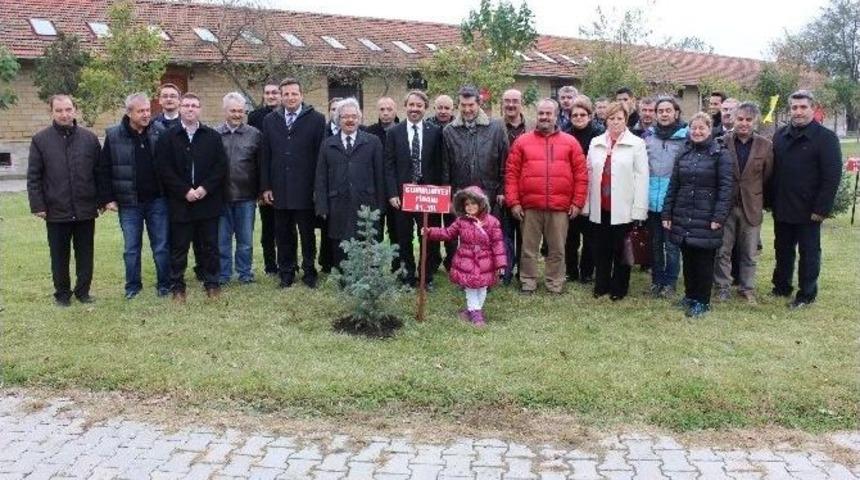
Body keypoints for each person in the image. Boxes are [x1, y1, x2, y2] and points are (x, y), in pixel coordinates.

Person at [506, 98, 587, 294]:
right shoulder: (522, 141)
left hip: (560, 207)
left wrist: (577, 202)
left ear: (556, 115)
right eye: (541, 113)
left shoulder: (570, 142)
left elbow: (581, 175)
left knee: (557, 249)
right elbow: (511, 173)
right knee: (528, 249)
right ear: (536, 114)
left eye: (548, 113)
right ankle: (528, 282)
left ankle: (555, 283)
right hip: (530, 206)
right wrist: (514, 202)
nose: (544, 117)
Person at [769, 90, 842, 309]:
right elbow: (774, 171)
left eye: (803, 107)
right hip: (783, 204)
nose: (798, 112)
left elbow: (832, 176)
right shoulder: (780, 135)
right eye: (794, 107)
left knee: (809, 253)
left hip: (810, 209)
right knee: (782, 249)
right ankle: (781, 286)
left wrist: (821, 209)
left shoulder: (826, 138)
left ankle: (806, 294)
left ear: (812, 108)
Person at [27, 94, 101, 307]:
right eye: (59, 110)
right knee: (59, 256)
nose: (64, 114)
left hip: (85, 208)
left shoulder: (89, 139)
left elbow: (99, 172)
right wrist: (38, 205)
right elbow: (34, 176)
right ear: (51, 112)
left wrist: (101, 200)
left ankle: (83, 292)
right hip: (55, 209)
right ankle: (62, 294)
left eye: (68, 109)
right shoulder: (40, 140)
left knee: (85, 254)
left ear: (75, 110)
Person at [156, 93, 229, 302]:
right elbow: (164, 168)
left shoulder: (212, 136)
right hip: (181, 202)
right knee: (179, 247)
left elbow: (220, 166)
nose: (190, 109)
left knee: (210, 246)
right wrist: (184, 191)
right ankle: (178, 286)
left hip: (208, 201)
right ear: (180, 107)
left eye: (194, 106)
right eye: (186, 105)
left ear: (200, 109)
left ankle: (212, 283)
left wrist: (205, 188)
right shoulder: (168, 137)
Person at [97, 92, 170, 300]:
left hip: (157, 200)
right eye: (141, 111)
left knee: (162, 246)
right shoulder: (113, 136)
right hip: (129, 203)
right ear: (129, 113)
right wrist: (108, 198)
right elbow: (104, 169)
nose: (147, 114)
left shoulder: (160, 131)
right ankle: (133, 287)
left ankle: (164, 285)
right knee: (131, 248)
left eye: (148, 110)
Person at [661, 112, 734, 318]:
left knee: (703, 261)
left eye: (702, 128)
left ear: (710, 130)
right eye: (694, 128)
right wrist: (667, 212)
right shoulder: (683, 153)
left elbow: (726, 189)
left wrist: (718, 217)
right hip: (683, 213)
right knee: (688, 258)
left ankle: (702, 300)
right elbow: (674, 185)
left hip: (707, 216)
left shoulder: (721, 154)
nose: (697, 132)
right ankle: (690, 295)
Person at [260, 78, 326, 289]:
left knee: (307, 234)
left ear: (301, 95)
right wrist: (266, 186)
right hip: (279, 188)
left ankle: (309, 271)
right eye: (286, 94)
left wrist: (318, 187)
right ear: (281, 96)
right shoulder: (270, 120)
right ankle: (286, 272)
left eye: (294, 94)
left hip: (305, 189)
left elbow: (320, 157)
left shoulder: (316, 119)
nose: (290, 97)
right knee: (283, 233)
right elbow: (265, 155)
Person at [585, 101, 649, 301]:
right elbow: (588, 174)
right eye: (611, 118)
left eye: (619, 118)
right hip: (600, 205)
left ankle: (619, 288)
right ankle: (601, 285)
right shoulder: (595, 142)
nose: (615, 122)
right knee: (601, 248)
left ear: (626, 120)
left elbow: (642, 177)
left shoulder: (637, 144)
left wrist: (639, 210)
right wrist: (586, 204)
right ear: (606, 120)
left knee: (621, 250)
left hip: (623, 208)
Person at [713, 102, 773, 304]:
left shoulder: (766, 145)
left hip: (751, 206)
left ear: (755, 121)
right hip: (726, 206)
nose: (744, 124)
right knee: (722, 251)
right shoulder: (721, 142)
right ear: (733, 119)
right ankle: (722, 286)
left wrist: (754, 193)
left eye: (748, 120)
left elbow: (767, 176)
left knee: (749, 252)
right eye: (740, 119)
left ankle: (747, 288)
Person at [315, 98, 386, 268]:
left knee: (367, 237)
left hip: (366, 201)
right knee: (340, 239)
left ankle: (370, 274)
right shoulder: (327, 145)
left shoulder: (373, 142)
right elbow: (321, 177)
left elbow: (380, 175)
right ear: (338, 119)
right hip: (338, 202)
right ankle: (344, 276)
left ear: (359, 119)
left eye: (354, 116)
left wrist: (381, 205)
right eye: (345, 116)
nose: (350, 120)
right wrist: (322, 206)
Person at [384, 90, 444, 289]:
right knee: (403, 237)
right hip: (402, 196)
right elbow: (389, 165)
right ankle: (407, 276)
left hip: (428, 195)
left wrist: (441, 193)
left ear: (425, 108)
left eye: (419, 105)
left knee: (428, 238)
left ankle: (425, 278)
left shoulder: (435, 132)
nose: (415, 109)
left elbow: (440, 164)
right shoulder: (394, 132)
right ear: (405, 106)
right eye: (411, 105)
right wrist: (392, 193)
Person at [422, 186, 506, 327]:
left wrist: (501, 264)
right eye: (467, 204)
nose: (470, 207)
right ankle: (476, 314)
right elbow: (448, 233)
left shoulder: (492, 222)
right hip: (467, 260)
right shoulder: (461, 222)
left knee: (483, 287)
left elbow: (498, 244)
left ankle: (472, 310)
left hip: (486, 261)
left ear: (481, 204)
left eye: (473, 203)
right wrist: (430, 232)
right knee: (471, 287)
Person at [217, 92, 263, 285]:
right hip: (221, 197)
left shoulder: (254, 134)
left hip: (246, 196)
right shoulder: (214, 134)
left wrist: (261, 191)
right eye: (233, 110)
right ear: (225, 111)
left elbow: (261, 165)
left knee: (245, 241)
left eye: (240, 111)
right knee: (222, 240)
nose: (237, 114)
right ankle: (224, 274)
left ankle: (245, 274)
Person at [644, 97, 687, 298]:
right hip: (651, 201)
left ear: (676, 113)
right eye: (660, 110)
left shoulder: (685, 138)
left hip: (673, 202)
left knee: (671, 246)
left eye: (668, 110)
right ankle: (657, 280)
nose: (664, 114)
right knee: (655, 244)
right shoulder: (648, 137)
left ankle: (670, 282)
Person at [442, 85, 509, 212]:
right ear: (458, 105)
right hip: (461, 196)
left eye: (471, 105)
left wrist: (502, 190)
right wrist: (447, 196)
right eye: (463, 105)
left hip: (489, 195)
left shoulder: (496, 128)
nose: (467, 109)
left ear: (479, 103)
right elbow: (446, 168)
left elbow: (504, 162)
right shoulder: (449, 131)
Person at [566, 95, 604, 284]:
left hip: (593, 190)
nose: (579, 118)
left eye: (583, 114)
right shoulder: (564, 134)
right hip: (569, 191)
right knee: (570, 236)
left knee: (590, 236)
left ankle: (587, 271)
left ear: (590, 116)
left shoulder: (599, 136)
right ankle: (571, 271)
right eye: (575, 115)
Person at [247, 80, 281, 276]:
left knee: (285, 226)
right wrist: (261, 186)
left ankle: (288, 261)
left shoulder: (287, 116)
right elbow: (255, 153)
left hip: (284, 181)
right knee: (268, 227)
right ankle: (270, 265)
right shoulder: (255, 117)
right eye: (267, 93)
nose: (271, 96)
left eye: (274, 92)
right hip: (265, 180)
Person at [500, 88, 532, 285]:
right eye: (507, 101)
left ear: (522, 103)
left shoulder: (533, 127)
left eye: (515, 101)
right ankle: (506, 271)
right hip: (503, 190)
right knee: (504, 234)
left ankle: (524, 271)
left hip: (528, 189)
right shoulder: (494, 127)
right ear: (502, 103)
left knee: (525, 234)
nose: (511, 105)